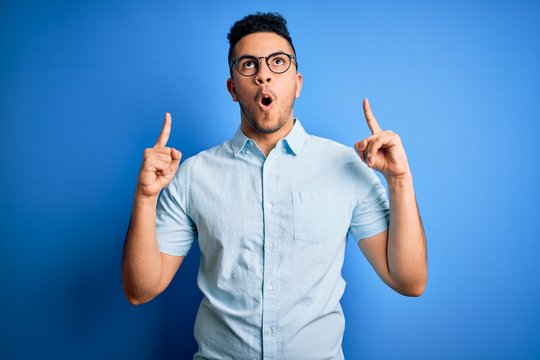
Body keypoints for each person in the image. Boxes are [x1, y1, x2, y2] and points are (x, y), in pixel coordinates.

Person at [122, 12, 428, 359]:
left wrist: (399, 181)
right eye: (249, 65)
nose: (264, 74)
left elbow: (410, 281)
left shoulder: (347, 166)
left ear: (297, 82)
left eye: (277, 62)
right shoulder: (193, 175)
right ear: (232, 88)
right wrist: (145, 198)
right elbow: (140, 290)